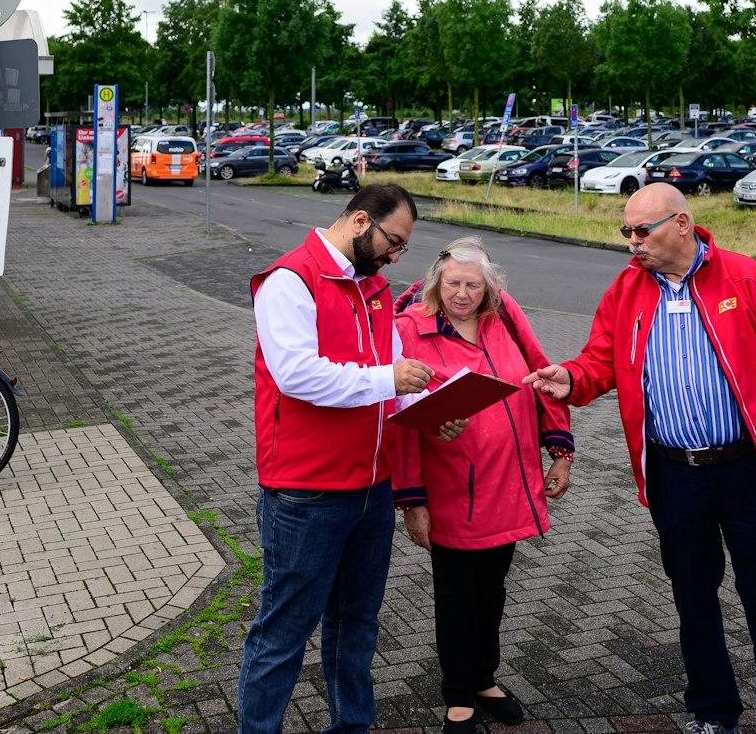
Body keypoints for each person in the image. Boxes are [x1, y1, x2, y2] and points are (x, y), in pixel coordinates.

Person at [526, 183, 756, 734]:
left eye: (644, 231)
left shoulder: (746, 278)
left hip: (754, 472)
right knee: (693, 600)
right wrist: (570, 379)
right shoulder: (627, 290)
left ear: (683, 223)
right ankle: (713, 712)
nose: (633, 243)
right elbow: (601, 360)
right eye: (627, 233)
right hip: (675, 474)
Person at [238, 183, 465, 734]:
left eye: (403, 249)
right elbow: (296, 375)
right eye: (395, 241)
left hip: (372, 486)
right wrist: (389, 377)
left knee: (357, 624)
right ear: (361, 220)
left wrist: (428, 406)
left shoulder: (375, 290)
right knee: (285, 629)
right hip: (307, 489)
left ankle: (350, 727)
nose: (396, 255)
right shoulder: (290, 280)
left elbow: (388, 371)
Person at [391, 237, 573, 734]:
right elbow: (399, 419)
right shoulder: (408, 329)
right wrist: (411, 499)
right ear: (436, 283)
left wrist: (561, 452)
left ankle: (483, 678)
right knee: (456, 595)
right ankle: (457, 696)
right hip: (452, 491)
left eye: (474, 284)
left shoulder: (505, 317)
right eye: (454, 284)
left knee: (492, 590)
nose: (464, 294)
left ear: (490, 286)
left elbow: (543, 376)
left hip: (509, 485)